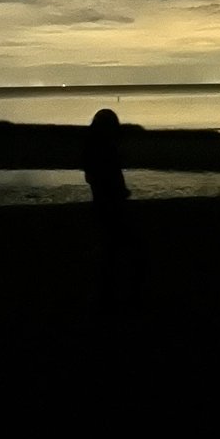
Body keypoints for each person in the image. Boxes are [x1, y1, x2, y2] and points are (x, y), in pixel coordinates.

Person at [81, 109, 135, 314]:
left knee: (108, 246)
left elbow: (92, 177)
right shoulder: (107, 150)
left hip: (101, 202)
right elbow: (113, 176)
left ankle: (104, 291)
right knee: (112, 246)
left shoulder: (92, 148)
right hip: (110, 202)